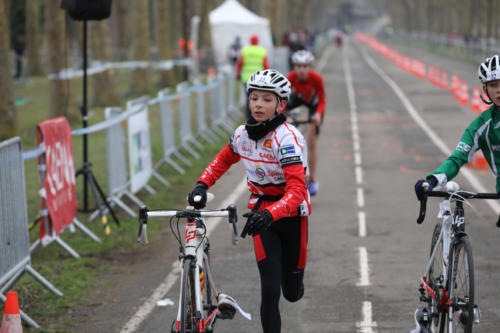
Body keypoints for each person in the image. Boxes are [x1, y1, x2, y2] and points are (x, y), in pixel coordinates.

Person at [188, 69, 310, 333]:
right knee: (269, 289)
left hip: (292, 215)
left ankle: (295, 282)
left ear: (281, 105)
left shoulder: (287, 139)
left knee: (291, 292)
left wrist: (271, 214)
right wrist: (201, 184)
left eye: (267, 99)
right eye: (254, 97)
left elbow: (297, 190)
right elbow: (222, 161)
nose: (258, 104)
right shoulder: (242, 134)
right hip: (262, 214)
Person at [415, 54, 500, 199]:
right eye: (493, 85)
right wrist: (432, 181)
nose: (499, 90)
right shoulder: (482, 125)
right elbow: (458, 157)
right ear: (485, 90)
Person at [286, 50, 326, 196]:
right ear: (294, 66)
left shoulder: (316, 78)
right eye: (298, 66)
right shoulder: (290, 78)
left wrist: (318, 115)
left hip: (313, 105)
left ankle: (313, 180)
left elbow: (322, 100)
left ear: (310, 66)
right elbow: (281, 99)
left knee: (311, 141)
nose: (301, 70)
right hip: (297, 100)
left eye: (304, 66)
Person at [236, 35, 269, 119]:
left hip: (247, 78)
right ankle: (258, 115)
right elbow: (265, 65)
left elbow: (240, 63)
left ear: (250, 41)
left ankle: (248, 116)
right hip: (259, 78)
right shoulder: (262, 51)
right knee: (258, 97)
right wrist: (268, 75)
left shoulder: (245, 50)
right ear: (258, 41)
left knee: (249, 97)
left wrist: (238, 73)